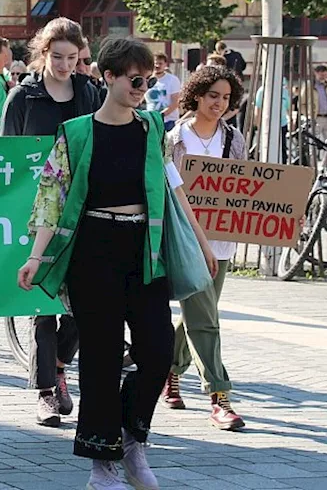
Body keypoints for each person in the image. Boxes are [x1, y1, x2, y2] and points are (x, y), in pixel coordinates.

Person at [16, 36, 216, 490]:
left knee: (156, 350)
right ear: (108, 77)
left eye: (147, 80)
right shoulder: (77, 133)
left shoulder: (152, 130)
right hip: (93, 251)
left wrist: (202, 243)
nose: (142, 88)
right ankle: (102, 462)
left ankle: (132, 439)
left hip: (145, 251)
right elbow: (52, 196)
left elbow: (174, 188)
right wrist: (35, 256)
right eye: (134, 79)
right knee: (102, 358)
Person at [0, 17, 100, 428]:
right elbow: (4, 158)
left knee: (82, 303)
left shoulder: (90, 93)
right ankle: (44, 390)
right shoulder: (23, 97)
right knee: (41, 304)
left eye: (72, 58)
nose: (63, 65)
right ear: (43, 53)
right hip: (35, 211)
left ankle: (58, 364)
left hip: (80, 211)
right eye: (57, 56)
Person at [162, 63, 247, 431]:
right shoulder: (175, 139)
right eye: (213, 95)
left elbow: (247, 188)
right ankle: (219, 396)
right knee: (206, 320)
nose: (219, 103)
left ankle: (170, 369)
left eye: (226, 98)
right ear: (196, 94)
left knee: (200, 313)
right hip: (186, 241)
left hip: (222, 243)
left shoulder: (234, 140)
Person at [145, 52, 182, 131]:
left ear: (165, 64)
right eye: (155, 63)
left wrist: (160, 116)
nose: (157, 66)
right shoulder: (147, 79)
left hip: (168, 122)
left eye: (160, 63)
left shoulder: (172, 80)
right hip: (151, 121)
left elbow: (175, 103)